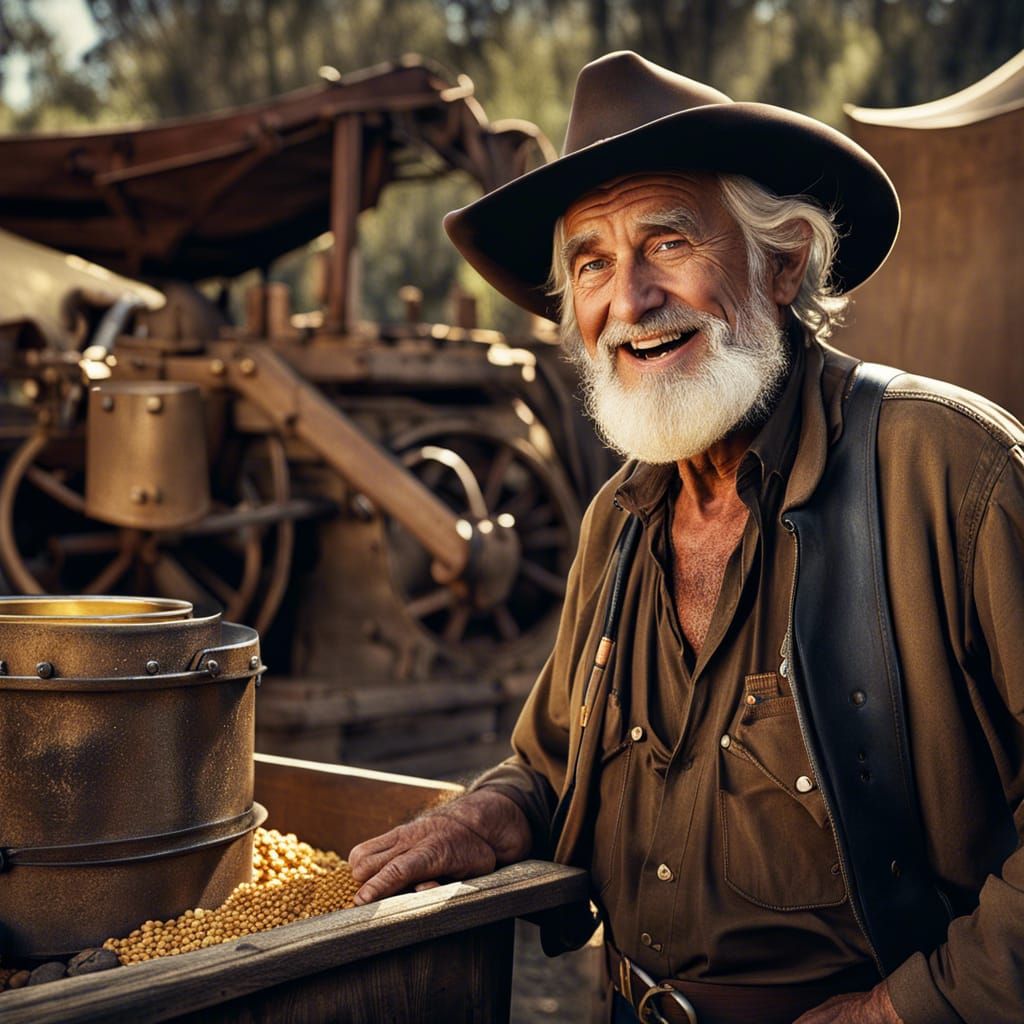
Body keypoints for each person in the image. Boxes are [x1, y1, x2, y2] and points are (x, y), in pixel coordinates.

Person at [349, 51, 1024, 1024]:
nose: (627, 301)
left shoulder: (953, 473)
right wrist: (486, 813)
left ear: (782, 261)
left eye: (666, 243)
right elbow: (550, 762)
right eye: (590, 263)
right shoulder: (615, 523)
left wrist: (908, 1009)